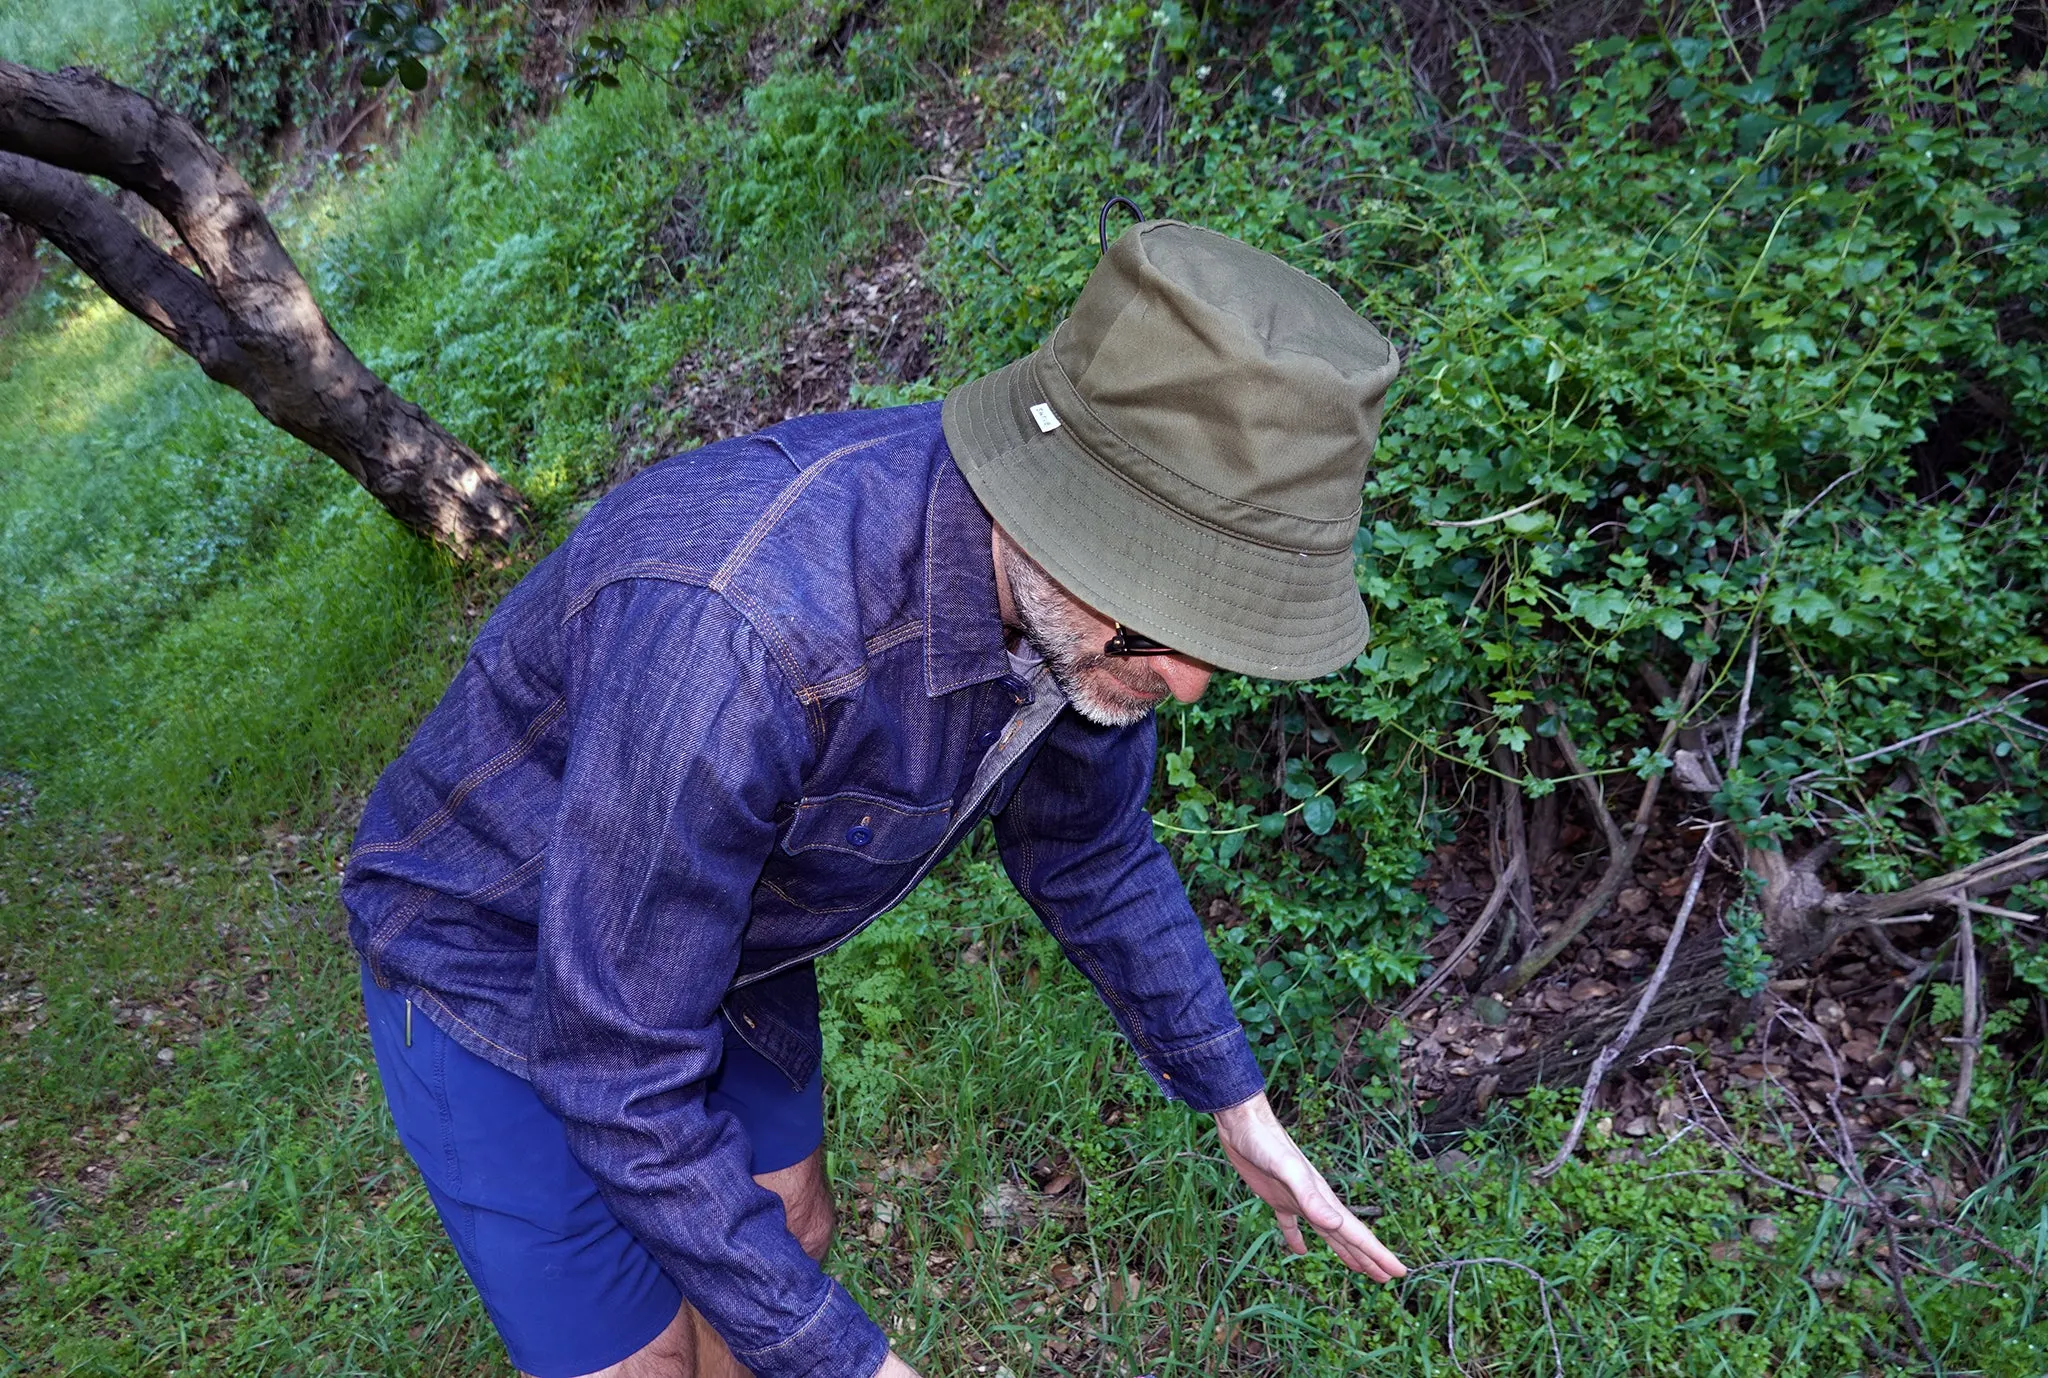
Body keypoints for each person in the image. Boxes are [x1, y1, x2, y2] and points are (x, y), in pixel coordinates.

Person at [341, 216, 1407, 1378]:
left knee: (786, 1226)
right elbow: (620, 1066)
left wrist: (1234, 1102)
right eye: (1162, 620)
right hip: (497, 950)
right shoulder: (742, 634)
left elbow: (1087, 850)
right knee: (647, 1362)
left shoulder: (1075, 619)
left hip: (734, 920)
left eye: (1223, 636)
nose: (1188, 683)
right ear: (1046, 507)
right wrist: (854, 1362)